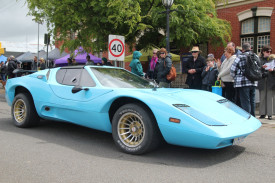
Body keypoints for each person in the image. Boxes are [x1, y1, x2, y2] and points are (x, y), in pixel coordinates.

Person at [230, 43, 258, 116]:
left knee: (245, 101)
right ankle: (253, 117)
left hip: (242, 82)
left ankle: (247, 117)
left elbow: (232, 69)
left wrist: (235, 77)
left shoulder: (240, 56)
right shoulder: (255, 56)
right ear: (250, 48)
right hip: (254, 81)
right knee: (252, 101)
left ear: (242, 49)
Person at [258, 46, 275, 120]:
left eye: (270, 51)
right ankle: (262, 113)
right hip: (262, 79)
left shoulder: (273, 59)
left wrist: (273, 70)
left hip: (270, 79)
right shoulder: (259, 59)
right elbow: (256, 68)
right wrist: (262, 67)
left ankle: (270, 114)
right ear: (263, 52)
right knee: (262, 97)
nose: (269, 53)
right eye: (267, 51)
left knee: (270, 97)